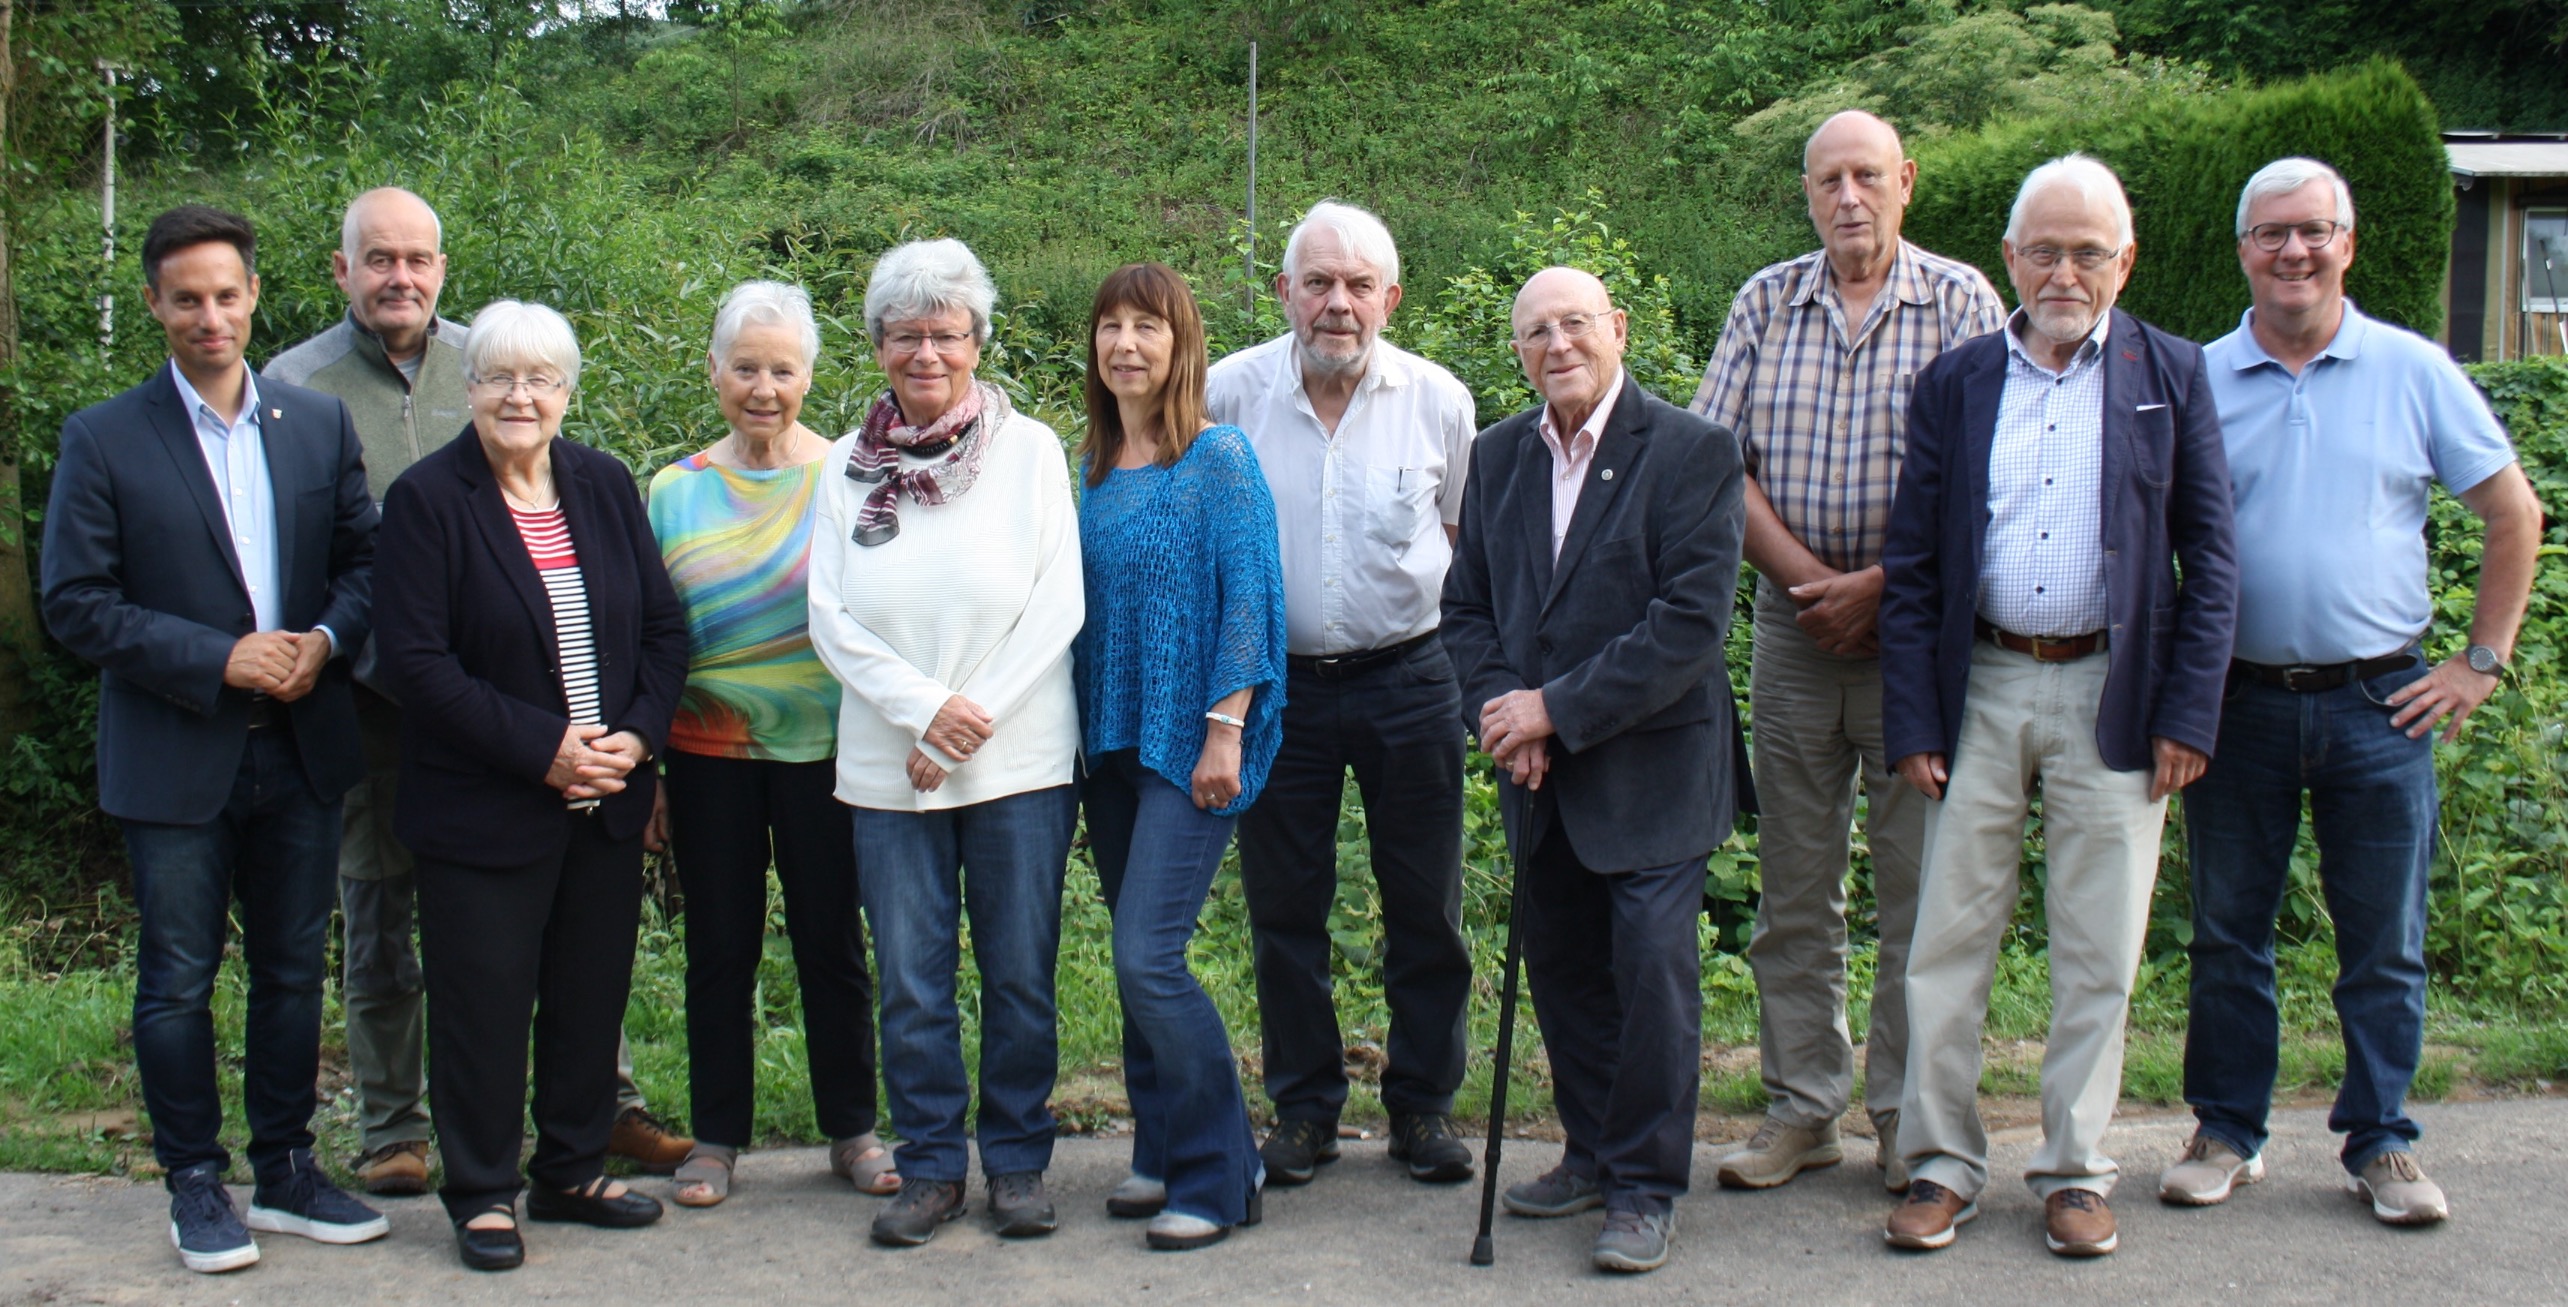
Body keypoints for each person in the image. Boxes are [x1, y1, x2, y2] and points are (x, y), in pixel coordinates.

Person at [2160, 158, 2542, 1226]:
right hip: (2235, 704)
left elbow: (2516, 515)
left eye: (2315, 230)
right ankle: (2227, 1128)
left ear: (2348, 244)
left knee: (2385, 937)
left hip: (2382, 703)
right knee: (2230, 932)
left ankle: (2382, 1140)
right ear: (2243, 248)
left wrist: (2481, 661)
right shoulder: (2197, 379)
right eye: (2272, 232)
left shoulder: (2412, 371)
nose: (2294, 251)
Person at [1878, 154, 2237, 1259]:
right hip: (1978, 682)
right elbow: (1913, 563)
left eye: (2089, 251)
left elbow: (2211, 556)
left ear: (2124, 261)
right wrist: (1915, 721)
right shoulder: (1956, 378)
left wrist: (2188, 711)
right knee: (1946, 940)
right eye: (2046, 249)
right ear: (2011, 260)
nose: (2066, 270)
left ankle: (2076, 1168)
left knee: (2100, 944)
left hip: (2113, 691)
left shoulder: (2169, 373)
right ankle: (1940, 1164)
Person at [41, 204, 388, 1274]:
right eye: (185, 297)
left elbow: (369, 567)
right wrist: (217, 656)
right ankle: (196, 1177)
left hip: (299, 743)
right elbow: (75, 600)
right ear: (154, 303)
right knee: (178, 976)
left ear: (253, 297)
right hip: (175, 747)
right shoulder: (104, 435)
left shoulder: (315, 423)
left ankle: (284, 1166)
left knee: (292, 970)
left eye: (226, 294)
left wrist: (325, 639)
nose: (209, 315)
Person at [1691, 111, 2006, 1194]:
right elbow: (1714, 463)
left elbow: (1992, 476)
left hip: (1919, 632)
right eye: (1829, 179)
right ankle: (1802, 1108)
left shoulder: (1963, 301)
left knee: (1923, 889)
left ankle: (1910, 1119)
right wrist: (1807, 584)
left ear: (1906, 181)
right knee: (1795, 885)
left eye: (1868, 174)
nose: (1849, 197)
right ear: (1808, 192)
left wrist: (1883, 585)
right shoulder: (1764, 301)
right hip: (1791, 629)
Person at [1442, 267, 1749, 1275]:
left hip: (1656, 767)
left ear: (1618, 327)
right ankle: (1591, 1146)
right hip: (1540, 773)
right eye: (1534, 330)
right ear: (1519, 350)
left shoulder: (1694, 452)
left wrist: (1555, 708)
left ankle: (1646, 1184)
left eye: (1575, 323)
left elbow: (1687, 626)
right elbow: (1470, 610)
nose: (1556, 343)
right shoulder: (1496, 455)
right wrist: (1505, 712)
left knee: (1652, 974)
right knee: (1565, 967)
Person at [373, 300, 690, 1271]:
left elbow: (663, 635)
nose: (521, 395)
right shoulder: (428, 501)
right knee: (484, 1006)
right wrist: (549, 747)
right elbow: (417, 665)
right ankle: (481, 1191)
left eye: (541, 377)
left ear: (567, 391)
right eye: (500, 377)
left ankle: (570, 1167)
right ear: (467, 388)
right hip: (486, 806)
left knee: (588, 995)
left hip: (605, 800)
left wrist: (633, 739)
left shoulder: (601, 482)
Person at [805, 241, 1085, 1248]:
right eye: (906, 333)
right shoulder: (844, 465)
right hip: (887, 765)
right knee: (912, 979)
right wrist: (926, 713)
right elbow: (832, 617)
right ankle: (930, 1165)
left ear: (977, 341)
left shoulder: (1033, 450)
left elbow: (1058, 603)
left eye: (947, 332)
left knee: (1017, 967)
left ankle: (1016, 1161)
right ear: (877, 345)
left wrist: (967, 721)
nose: (927, 351)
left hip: (1017, 760)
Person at [1206, 201, 1478, 1188]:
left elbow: (1466, 547)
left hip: (1410, 675)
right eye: (1317, 282)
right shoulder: (1226, 394)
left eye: (1359, 284)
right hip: (1277, 686)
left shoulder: (1439, 399)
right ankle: (1307, 1106)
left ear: (1391, 297)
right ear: (1283, 292)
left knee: (1425, 902)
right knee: (1285, 906)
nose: (1337, 302)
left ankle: (1423, 1104)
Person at [646, 280, 891, 1210]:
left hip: (831, 753)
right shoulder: (675, 490)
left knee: (832, 943)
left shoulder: (851, 473)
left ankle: (854, 1130)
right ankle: (716, 1139)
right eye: (744, 367)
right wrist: (649, 768)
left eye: (781, 368)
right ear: (713, 373)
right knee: (719, 946)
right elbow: (651, 635)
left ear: (810, 375)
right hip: (705, 754)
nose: (763, 386)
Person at [1075, 261, 1287, 1252]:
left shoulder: (1221, 458)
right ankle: (1159, 1144)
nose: (1126, 343)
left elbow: (1249, 599)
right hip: (1108, 741)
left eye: (1146, 327)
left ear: (1181, 343)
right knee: (1136, 956)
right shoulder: (1090, 469)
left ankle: (1219, 1165)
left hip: (1193, 743)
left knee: (1147, 954)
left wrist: (1225, 728)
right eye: (1111, 326)